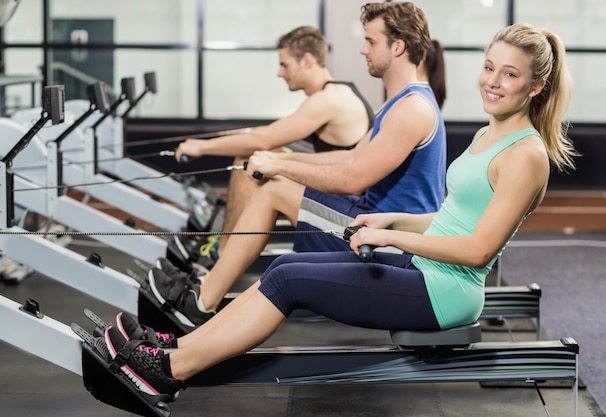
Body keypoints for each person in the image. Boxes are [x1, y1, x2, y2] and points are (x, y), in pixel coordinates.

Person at [102, 18, 577, 403]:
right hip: (422, 264)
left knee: (289, 281)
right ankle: (178, 346)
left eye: (509, 74)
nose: (492, 82)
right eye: (489, 67)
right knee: (286, 266)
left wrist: (392, 238)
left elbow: (477, 250)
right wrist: (393, 222)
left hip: (445, 291)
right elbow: (452, 219)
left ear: (535, 86)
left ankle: (168, 372)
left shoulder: (526, 155)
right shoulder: (486, 134)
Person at [149, 1, 448, 328]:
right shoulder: (399, 103)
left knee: (273, 190)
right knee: (274, 185)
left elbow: (354, 178)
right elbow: (349, 157)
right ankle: (207, 289)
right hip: (369, 220)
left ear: (398, 46)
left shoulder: (412, 109)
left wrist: (281, 167)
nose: (363, 49)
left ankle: (202, 300)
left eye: (371, 42)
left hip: (388, 241)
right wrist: (278, 159)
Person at [174, 25, 374, 250]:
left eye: (284, 64)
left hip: (347, 204)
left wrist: (201, 147)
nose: (280, 73)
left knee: (247, 161)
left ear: (307, 60)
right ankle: (226, 246)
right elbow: (274, 133)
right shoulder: (331, 94)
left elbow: (264, 140)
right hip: (334, 186)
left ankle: (222, 250)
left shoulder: (330, 99)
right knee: (264, 156)